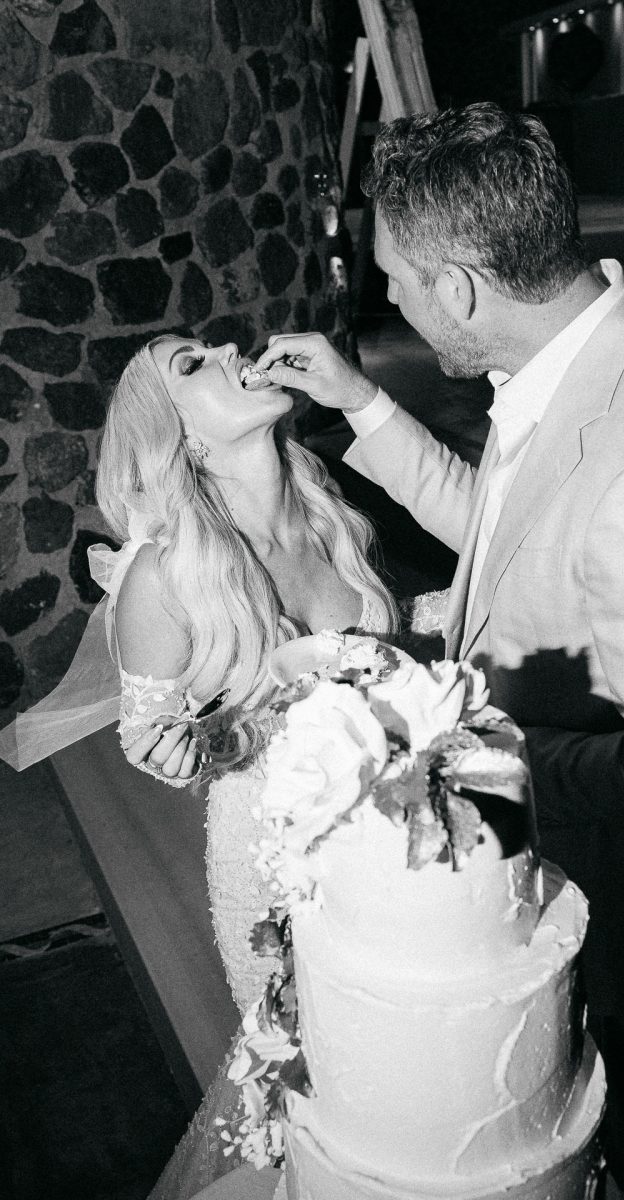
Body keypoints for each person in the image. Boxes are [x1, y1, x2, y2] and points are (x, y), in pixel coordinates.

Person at [256, 103, 624, 1198]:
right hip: (584, 847)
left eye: (396, 280)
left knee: (594, 1140)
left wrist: (461, 756)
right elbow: (510, 533)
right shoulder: (573, 347)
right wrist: (361, 404)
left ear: (460, 286)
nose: (388, 299)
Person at [0, 333, 409, 1199]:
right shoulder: (164, 576)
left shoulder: (323, 510)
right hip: (276, 872)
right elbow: (156, 745)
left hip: (390, 831)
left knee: (412, 1073)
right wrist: (234, 739)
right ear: (181, 439)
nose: (228, 346)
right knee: (320, 1091)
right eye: (192, 364)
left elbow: (386, 640)